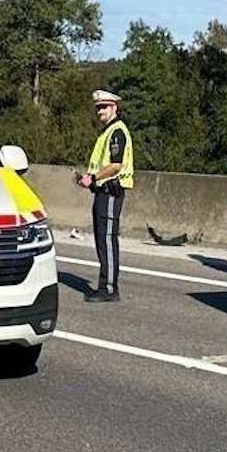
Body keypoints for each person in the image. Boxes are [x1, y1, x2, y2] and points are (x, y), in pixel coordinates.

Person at [78, 90, 132, 302]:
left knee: (108, 240)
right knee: (102, 240)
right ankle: (105, 285)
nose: (100, 110)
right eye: (98, 107)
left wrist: (93, 177)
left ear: (114, 108)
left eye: (104, 107)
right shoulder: (107, 132)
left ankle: (109, 288)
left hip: (111, 191)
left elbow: (115, 165)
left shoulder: (117, 132)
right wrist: (91, 178)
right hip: (102, 191)